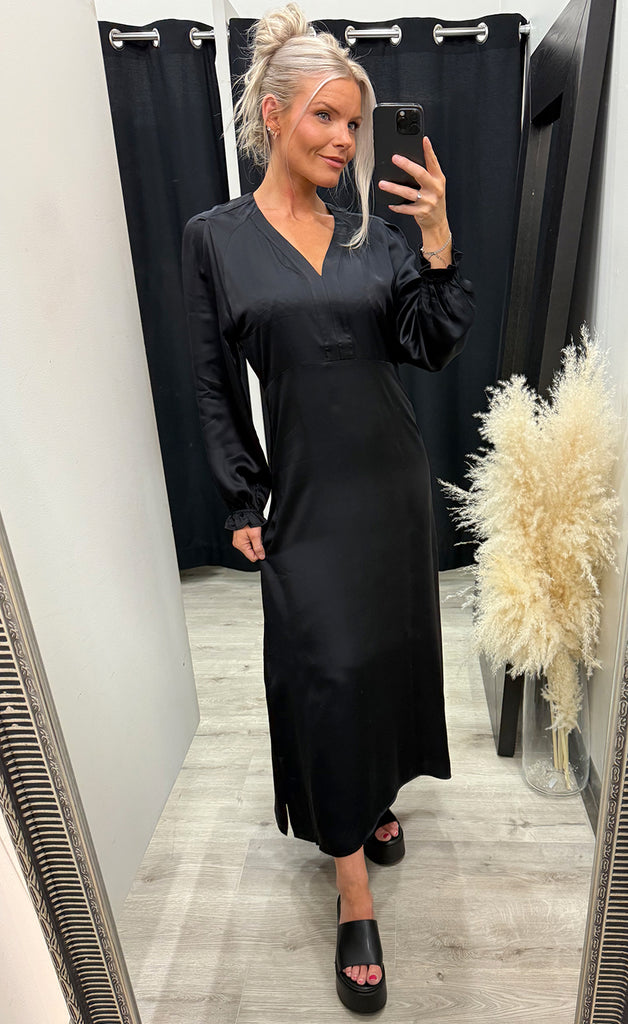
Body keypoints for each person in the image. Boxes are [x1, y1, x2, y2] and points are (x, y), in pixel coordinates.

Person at [181, 1, 475, 1012]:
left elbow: (429, 343)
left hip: (392, 488)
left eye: (355, 122)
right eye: (325, 117)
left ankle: (376, 801)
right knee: (330, 677)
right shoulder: (215, 240)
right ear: (272, 115)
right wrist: (239, 493)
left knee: (385, 662)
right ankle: (353, 888)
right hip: (306, 498)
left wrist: (435, 237)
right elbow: (212, 380)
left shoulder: (372, 235)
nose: (346, 139)